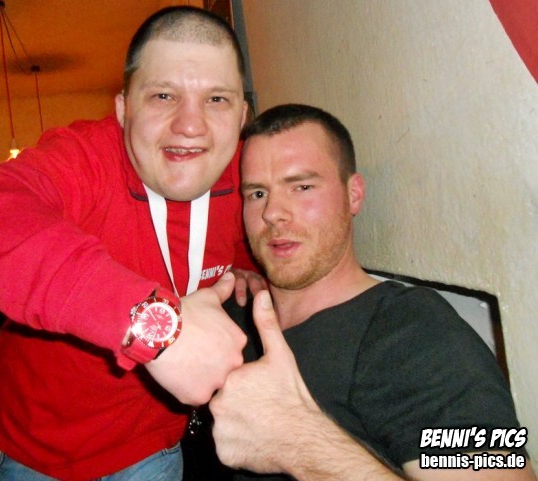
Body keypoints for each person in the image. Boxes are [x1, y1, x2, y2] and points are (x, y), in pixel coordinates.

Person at [0, 6, 264, 481]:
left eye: (216, 99)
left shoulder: (248, 175)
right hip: (35, 450)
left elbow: (241, 238)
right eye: (163, 95)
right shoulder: (88, 157)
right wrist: (155, 325)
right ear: (123, 109)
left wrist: (245, 264)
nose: (191, 125)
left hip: (153, 449)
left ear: (242, 116)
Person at [210, 104, 537, 481]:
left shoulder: (415, 334)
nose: (273, 213)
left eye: (302, 187)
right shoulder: (235, 313)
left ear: (354, 194)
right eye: (257, 193)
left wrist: (300, 443)